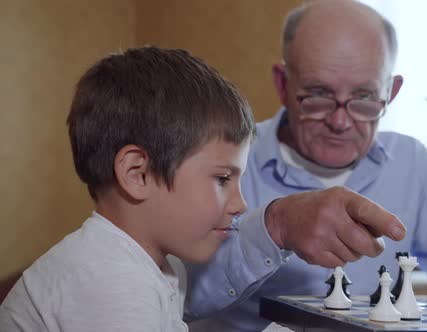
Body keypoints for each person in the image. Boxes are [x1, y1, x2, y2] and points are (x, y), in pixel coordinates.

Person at [185, 1, 427, 331]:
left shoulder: (412, 167)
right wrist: (273, 226)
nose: (340, 122)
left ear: (392, 92)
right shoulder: (222, 159)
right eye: (319, 95)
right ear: (282, 84)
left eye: (365, 98)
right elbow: (180, 297)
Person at [0, 46, 255, 331]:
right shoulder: (110, 279)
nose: (240, 204)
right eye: (222, 179)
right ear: (138, 174)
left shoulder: (156, 266)